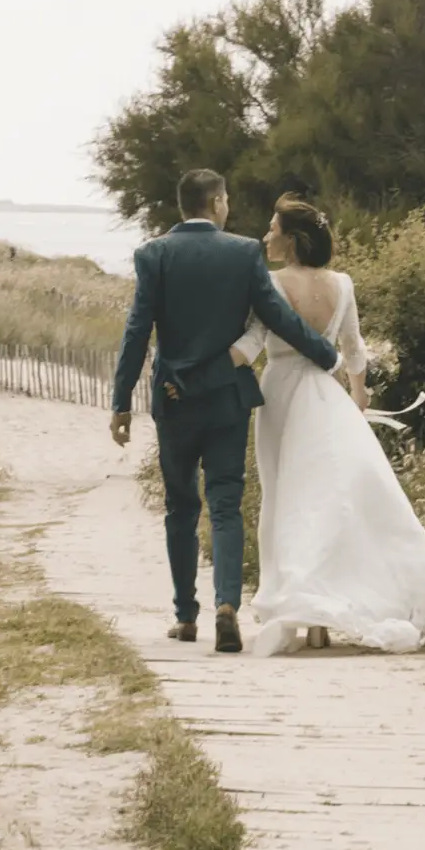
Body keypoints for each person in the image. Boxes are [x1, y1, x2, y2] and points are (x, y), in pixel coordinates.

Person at [110, 169, 340, 653]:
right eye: (227, 199)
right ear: (215, 202)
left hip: (173, 399)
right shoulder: (242, 252)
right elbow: (276, 318)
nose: (228, 205)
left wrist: (121, 401)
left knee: (180, 507)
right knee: (226, 504)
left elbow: (137, 330)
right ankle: (227, 606)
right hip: (228, 400)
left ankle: (186, 616)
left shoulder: (154, 254)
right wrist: (326, 355)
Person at [229, 194, 425, 656]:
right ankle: (320, 616)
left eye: (272, 228)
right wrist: (358, 394)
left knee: (285, 495)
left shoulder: (270, 283)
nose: (266, 235)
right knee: (326, 498)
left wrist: (210, 363)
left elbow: (254, 340)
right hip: (326, 396)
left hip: (281, 393)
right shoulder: (342, 284)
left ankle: (306, 607)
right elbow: (353, 347)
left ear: (290, 239)